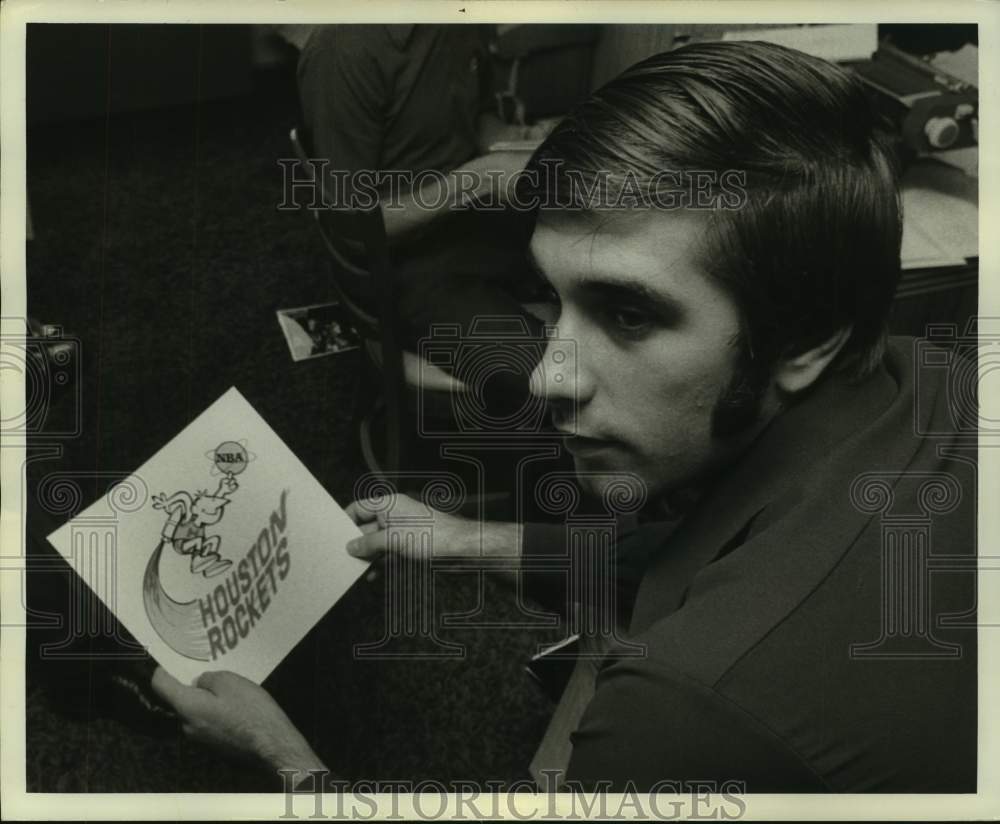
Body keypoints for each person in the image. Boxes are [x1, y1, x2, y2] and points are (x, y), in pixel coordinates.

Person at [152, 41, 976, 792]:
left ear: (808, 337)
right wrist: (466, 537)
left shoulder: (682, 708)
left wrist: (287, 762)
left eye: (629, 315)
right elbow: (697, 552)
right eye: (554, 299)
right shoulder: (932, 373)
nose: (548, 376)